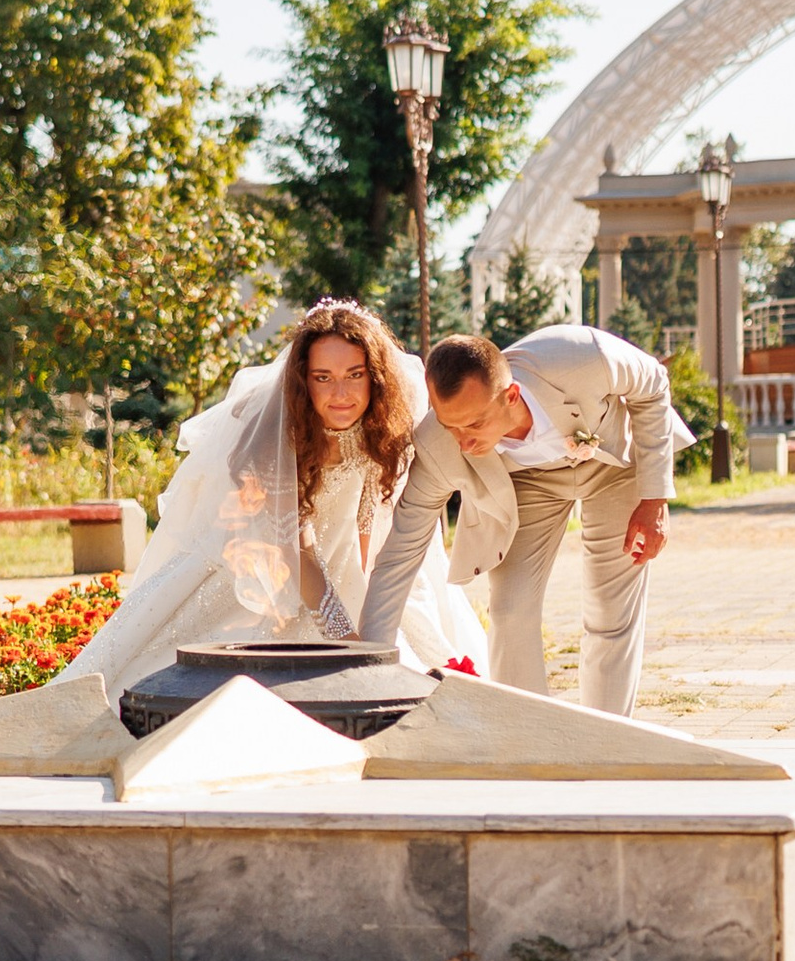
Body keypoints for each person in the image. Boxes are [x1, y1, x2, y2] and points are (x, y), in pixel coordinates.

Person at [62, 298, 490, 695]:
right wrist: (344, 637)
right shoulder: (271, 438)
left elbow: (370, 520)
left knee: (411, 658)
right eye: (323, 378)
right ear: (303, 382)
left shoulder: (384, 425)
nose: (340, 394)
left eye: (354, 376)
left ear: (373, 376)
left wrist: (369, 612)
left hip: (340, 561)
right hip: (258, 566)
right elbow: (294, 554)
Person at [355, 322, 688, 718]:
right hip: (525, 485)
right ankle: (528, 732)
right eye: (451, 426)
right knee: (511, 610)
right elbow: (400, 553)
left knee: (610, 612)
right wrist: (369, 663)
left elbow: (653, 386)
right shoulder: (439, 445)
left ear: (510, 396)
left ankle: (608, 736)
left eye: (475, 424)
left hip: (613, 469)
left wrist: (654, 499)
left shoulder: (583, 356)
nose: (463, 441)